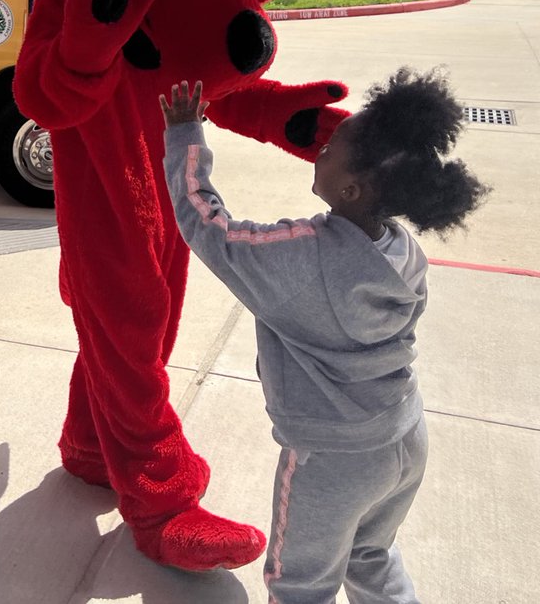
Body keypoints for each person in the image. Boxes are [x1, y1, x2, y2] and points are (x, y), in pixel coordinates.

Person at [160, 69, 488, 604]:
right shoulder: (404, 251)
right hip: (404, 437)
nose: (322, 148)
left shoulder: (304, 257)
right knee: (371, 557)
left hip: (332, 459)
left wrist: (184, 136)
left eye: (333, 147)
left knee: (299, 586)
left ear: (351, 189)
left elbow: (210, 230)